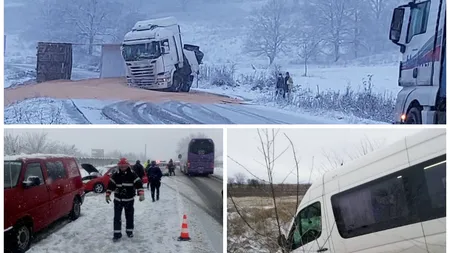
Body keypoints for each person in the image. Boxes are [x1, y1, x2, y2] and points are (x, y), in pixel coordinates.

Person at [106, 158, 145, 242]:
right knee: (117, 218)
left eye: (124, 166)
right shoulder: (115, 174)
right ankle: (117, 234)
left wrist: (141, 193)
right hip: (118, 200)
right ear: (119, 166)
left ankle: (129, 231)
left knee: (129, 216)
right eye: (121, 166)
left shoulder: (132, 174)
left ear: (127, 165)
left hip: (129, 200)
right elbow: (111, 185)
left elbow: (139, 184)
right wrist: (108, 194)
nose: (122, 168)